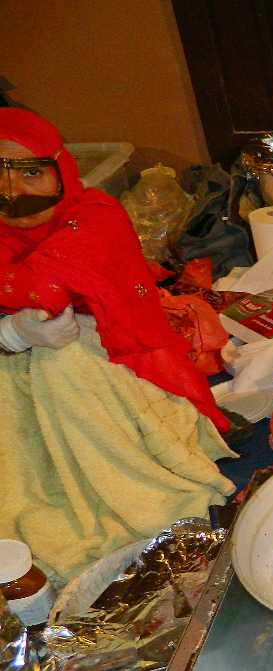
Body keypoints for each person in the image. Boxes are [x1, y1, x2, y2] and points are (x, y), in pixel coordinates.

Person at [0, 109, 234, 585]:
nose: (12, 193)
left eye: (31, 173)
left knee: (61, 365)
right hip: (17, 371)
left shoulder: (97, 216)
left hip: (119, 361)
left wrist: (26, 330)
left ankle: (112, 491)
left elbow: (45, 293)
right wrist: (12, 335)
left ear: (61, 170)